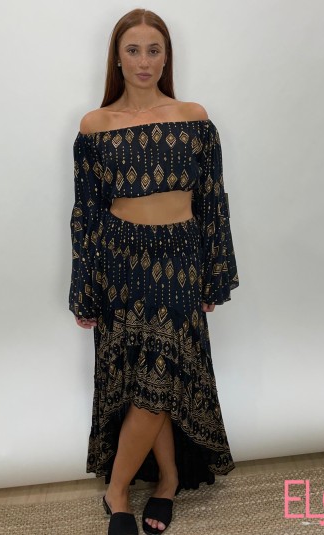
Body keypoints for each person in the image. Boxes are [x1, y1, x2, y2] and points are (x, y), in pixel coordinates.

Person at [69, 8, 239, 535]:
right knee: (147, 376)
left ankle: (118, 489)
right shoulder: (95, 126)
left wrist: (215, 273)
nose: (144, 61)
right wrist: (84, 287)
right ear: (117, 59)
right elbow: (86, 214)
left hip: (181, 258)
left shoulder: (193, 117)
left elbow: (212, 202)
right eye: (133, 50)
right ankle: (165, 480)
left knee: (161, 373)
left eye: (154, 50)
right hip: (121, 261)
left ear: (166, 58)